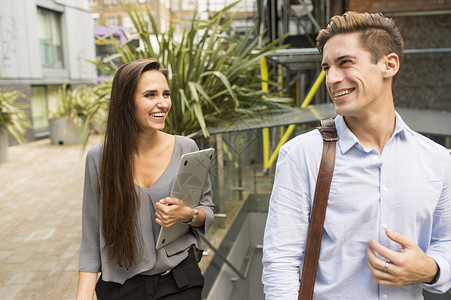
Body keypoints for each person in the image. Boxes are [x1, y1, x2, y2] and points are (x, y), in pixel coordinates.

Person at [262, 11, 451, 299]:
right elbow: (280, 264)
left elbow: (447, 241)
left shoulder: (438, 160)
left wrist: (432, 269)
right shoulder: (301, 155)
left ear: (389, 64)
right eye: (327, 68)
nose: (332, 78)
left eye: (345, 63)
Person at [76, 59, 215, 300]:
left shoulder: (187, 148)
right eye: (150, 95)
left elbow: (207, 210)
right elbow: (91, 239)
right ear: (126, 102)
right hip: (122, 288)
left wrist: (187, 214)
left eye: (166, 94)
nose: (163, 103)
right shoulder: (99, 158)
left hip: (179, 281)